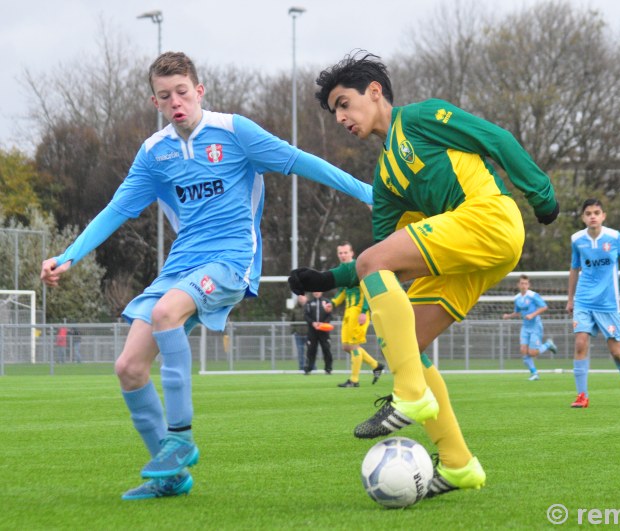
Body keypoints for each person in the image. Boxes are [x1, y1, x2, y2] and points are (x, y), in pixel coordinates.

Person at [40, 51, 372, 501]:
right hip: (182, 265)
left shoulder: (235, 132)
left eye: (182, 91)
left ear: (199, 91)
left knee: (165, 311)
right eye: (164, 95)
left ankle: (181, 437)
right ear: (155, 102)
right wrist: (69, 255)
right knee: (129, 368)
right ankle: (173, 476)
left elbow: (301, 161)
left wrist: (369, 193)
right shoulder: (154, 153)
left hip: (231, 260)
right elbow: (118, 207)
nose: (175, 101)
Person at [289, 51, 558, 498]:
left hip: (490, 218)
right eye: (334, 110)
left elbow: (497, 138)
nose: (340, 117)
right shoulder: (385, 182)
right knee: (405, 343)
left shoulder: (418, 118)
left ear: (375, 92)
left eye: (343, 103)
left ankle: (410, 393)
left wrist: (540, 192)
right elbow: (377, 258)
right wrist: (328, 279)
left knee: (392, 318)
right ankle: (457, 464)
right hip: (468, 253)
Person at [566, 198, 620, 409]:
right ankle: (582, 395)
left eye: (596, 212)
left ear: (603, 216)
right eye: (588, 213)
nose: (592, 216)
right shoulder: (577, 239)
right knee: (580, 342)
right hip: (583, 300)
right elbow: (574, 269)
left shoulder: (614, 237)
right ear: (583, 217)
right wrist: (570, 298)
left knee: (616, 352)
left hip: (608, 303)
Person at [331, 242, 384, 388]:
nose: (343, 255)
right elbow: (342, 291)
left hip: (359, 311)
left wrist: (364, 311)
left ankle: (354, 380)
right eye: (340, 253)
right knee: (346, 346)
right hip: (348, 311)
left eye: (345, 252)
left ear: (352, 253)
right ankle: (376, 365)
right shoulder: (344, 271)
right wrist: (333, 303)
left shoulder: (358, 268)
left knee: (354, 346)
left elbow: (367, 289)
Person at [502, 275, 557, 381]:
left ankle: (548, 344)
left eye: (526, 283)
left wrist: (532, 315)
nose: (524, 286)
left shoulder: (533, 295)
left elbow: (544, 307)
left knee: (532, 353)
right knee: (523, 351)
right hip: (525, 327)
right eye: (522, 283)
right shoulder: (517, 298)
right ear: (518, 285)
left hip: (535, 326)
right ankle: (534, 374)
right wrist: (508, 316)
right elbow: (517, 312)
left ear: (529, 285)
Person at [303, 291, 334, 374]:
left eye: (318, 291)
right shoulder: (309, 303)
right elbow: (306, 315)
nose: (316, 293)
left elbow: (330, 315)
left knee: (326, 348)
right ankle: (309, 368)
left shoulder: (327, 302)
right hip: (312, 330)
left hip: (324, 331)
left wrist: (323, 324)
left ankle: (328, 368)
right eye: (314, 291)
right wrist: (312, 323)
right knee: (311, 349)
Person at [288, 293, 309, 371]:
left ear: (306, 298)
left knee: (310, 351)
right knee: (300, 351)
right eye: (299, 297)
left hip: (308, 334)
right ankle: (301, 367)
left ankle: (311, 367)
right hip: (298, 334)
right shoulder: (295, 309)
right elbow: (292, 321)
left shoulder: (309, 307)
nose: (301, 298)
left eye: (302, 296)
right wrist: (294, 331)